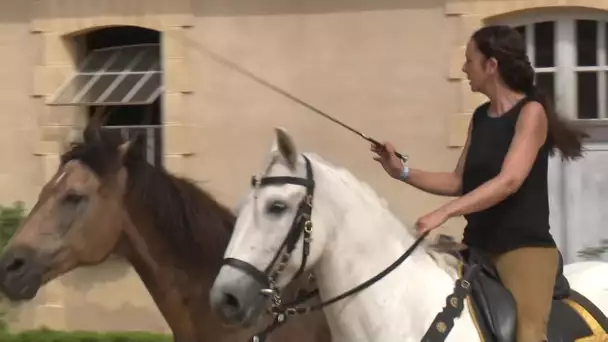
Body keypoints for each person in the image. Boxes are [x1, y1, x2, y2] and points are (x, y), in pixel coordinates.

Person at [371, 25, 587, 342]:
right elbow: (459, 180)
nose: (463, 68)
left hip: (524, 251)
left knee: (528, 337)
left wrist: (443, 213)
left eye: (469, 60)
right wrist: (401, 172)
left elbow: (508, 181)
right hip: (477, 248)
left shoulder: (531, 113)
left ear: (491, 65)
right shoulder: (481, 116)